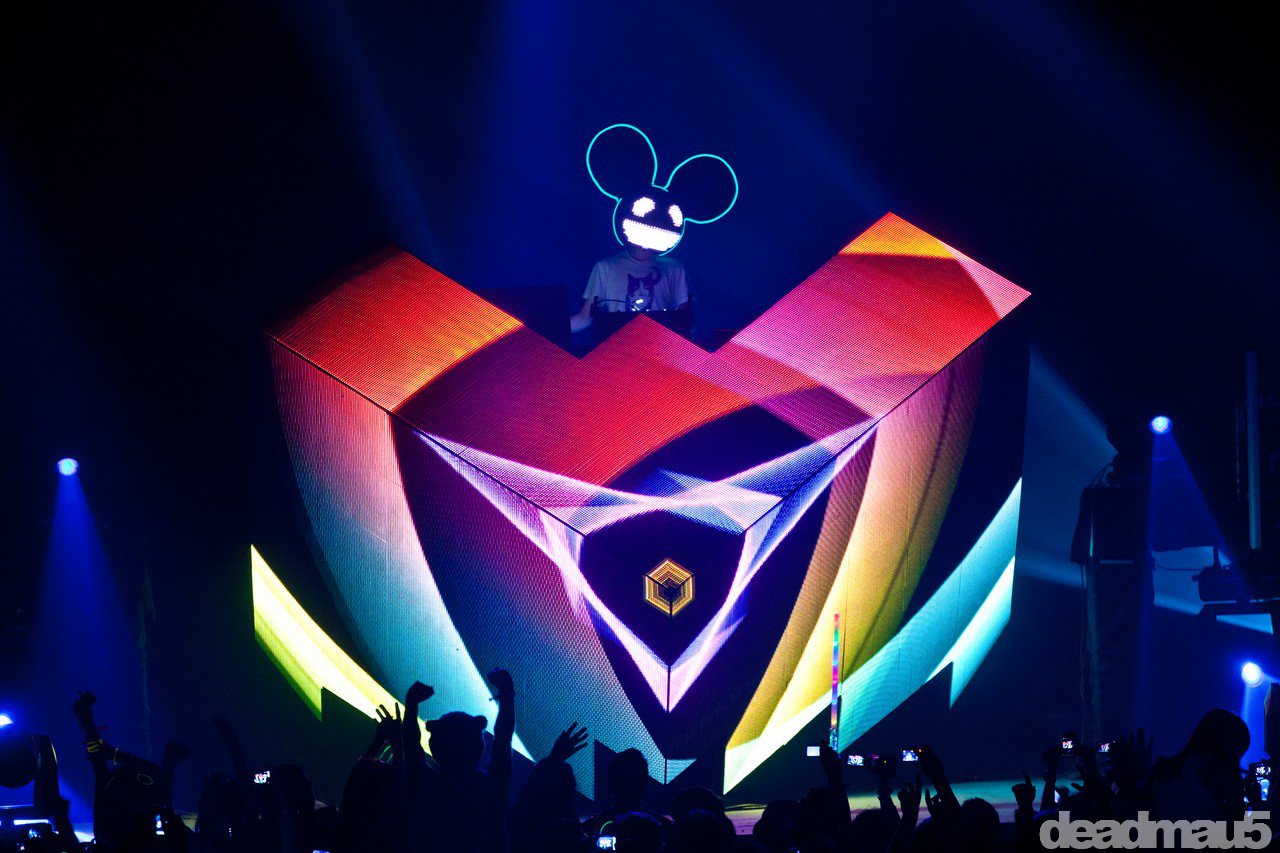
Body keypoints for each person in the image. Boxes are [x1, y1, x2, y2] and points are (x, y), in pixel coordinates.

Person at [570, 243, 689, 333]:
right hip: (620, 348)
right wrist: (559, 331)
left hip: (660, 348)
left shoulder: (673, 267)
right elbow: (585, 317)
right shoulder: (606, 267)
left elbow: (686, 318)